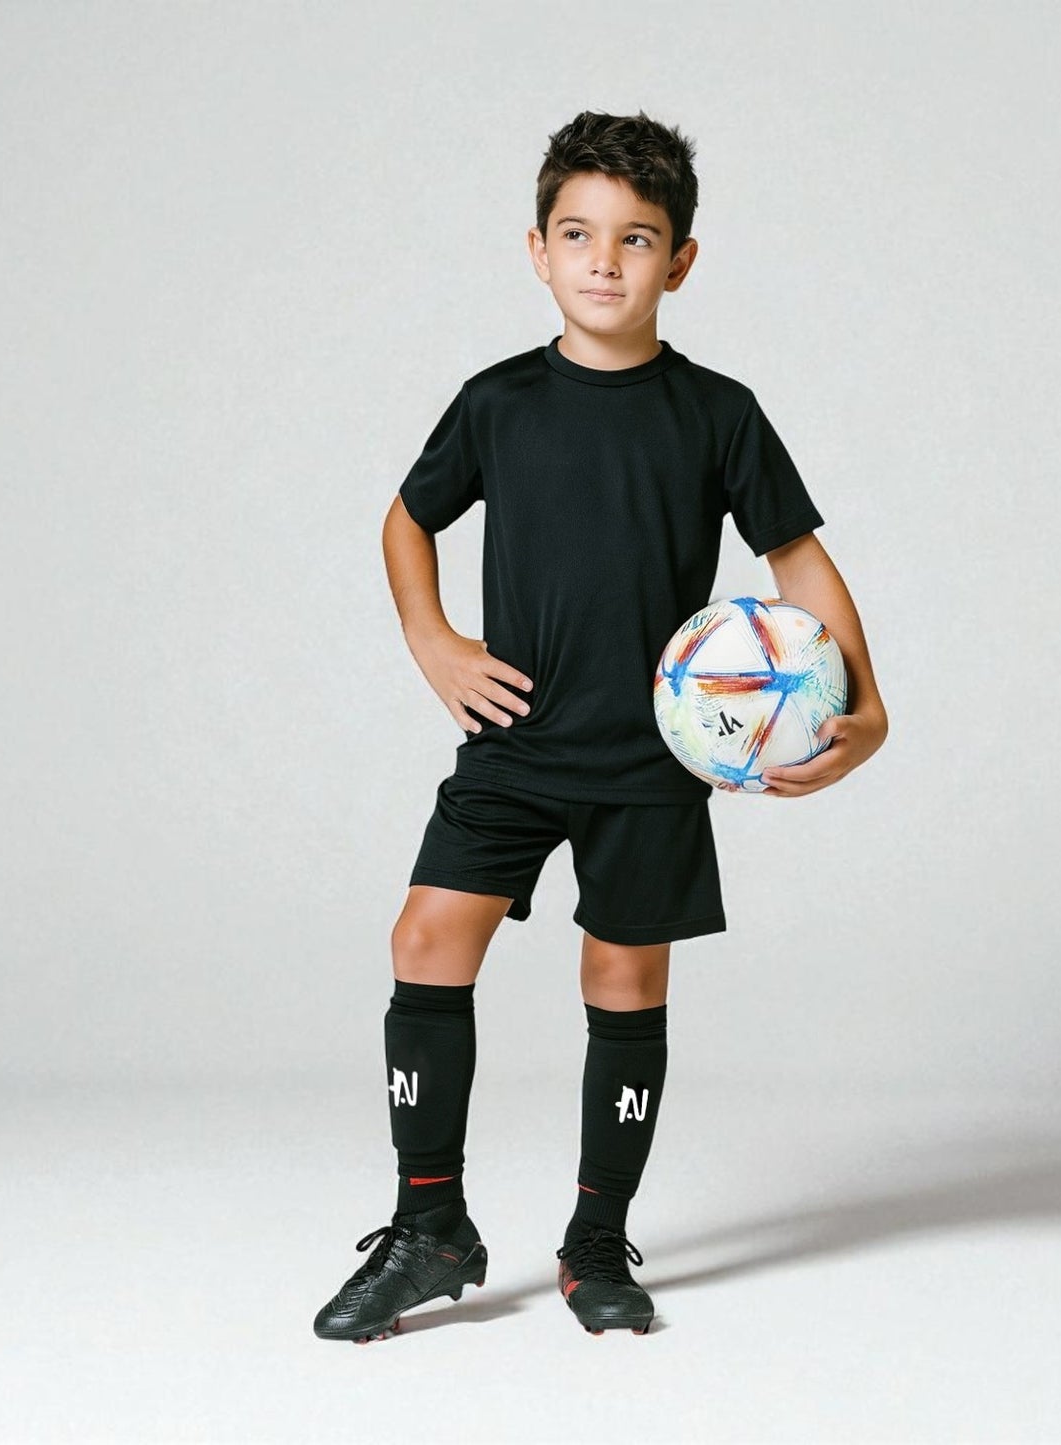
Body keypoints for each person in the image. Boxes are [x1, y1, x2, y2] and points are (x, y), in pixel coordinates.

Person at [312, 109, 888, 1344]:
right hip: (516, 744)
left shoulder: (717, 412)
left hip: (650, 761)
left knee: (620, 978)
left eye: (635, 239)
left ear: (678, 260)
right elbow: (406, 521)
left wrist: (867, 699)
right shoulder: (497, 402)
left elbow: (797, 558)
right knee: (424, 935)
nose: (603, 260)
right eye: (577, 233)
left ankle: (593, 1237)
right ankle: (428, 1222)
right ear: (536, 249)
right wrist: (435, 642)